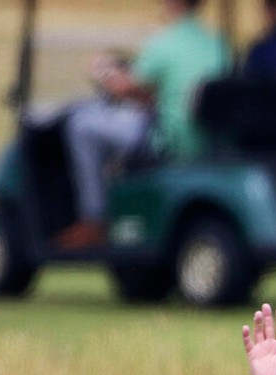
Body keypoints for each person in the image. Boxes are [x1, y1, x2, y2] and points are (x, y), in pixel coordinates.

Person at [57, 0, 230, 249]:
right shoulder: (218, 44)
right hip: (210, 140)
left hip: (171, 139)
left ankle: (94, 220)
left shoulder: (164, 43)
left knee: (82, 127)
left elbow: (125, 87)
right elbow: (158, 93)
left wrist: (102, 71)